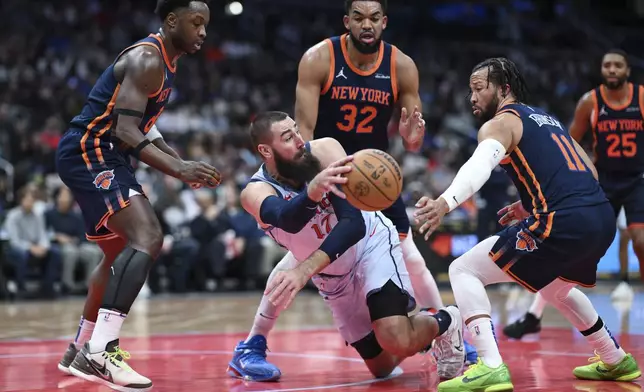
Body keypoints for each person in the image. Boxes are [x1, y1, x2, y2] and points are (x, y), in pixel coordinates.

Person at [228, 0, 476, 380]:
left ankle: (446, 328)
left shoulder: (401, 65)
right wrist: (311, 182)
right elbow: (305, 132)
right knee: (298, 255)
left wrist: (412, 140)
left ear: (385, 22)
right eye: (358, 17)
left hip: (371, 177)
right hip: (328, 164)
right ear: (346, 21)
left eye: (374, 17)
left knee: (407, 253)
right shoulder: (319, 59)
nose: (366, 24)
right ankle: (253, 343)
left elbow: (410, 138)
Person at [413, 58, 641, 392]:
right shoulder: (547, 118)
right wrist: (530, 203)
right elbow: (588, 172)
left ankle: (489, 364)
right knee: (555, 287)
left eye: (479, 88)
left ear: (503, 88)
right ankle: (614, 357)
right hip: (600, 217)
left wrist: (445, 202)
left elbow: (480, 166)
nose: (472, 98)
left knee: (464, 270)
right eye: (470, 91)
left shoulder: (502, 122)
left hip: (563, 221)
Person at [55, 1, 220, 390]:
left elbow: (145, 124)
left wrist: (178, 162)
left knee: (116, 253)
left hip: (101, 152)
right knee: (148, 237)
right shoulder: (148, 58)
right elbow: (126, 131)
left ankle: (79, 349)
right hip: (92, 150)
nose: (203, 32)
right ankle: (101, 351)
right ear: (171, 20)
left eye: (206, 25)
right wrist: (178, 170)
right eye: (196, 23)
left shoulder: (166, 61)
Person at [228, 111, 466, 381]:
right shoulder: (254, 193)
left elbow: (353, 224)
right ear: (265, 150)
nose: (299, 140)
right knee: (382, 367)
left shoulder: (325, 150)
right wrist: (313, 192)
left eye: (296, 130)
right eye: (287, 137)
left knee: (394, 336)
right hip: (332, 275)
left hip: (370, 245)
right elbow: (287, 220)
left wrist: (304, 270)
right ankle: (422, 331)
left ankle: (446, 321)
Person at [503, 49, 642, 339]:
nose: (612, 70)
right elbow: (564, 142)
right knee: (568, 249)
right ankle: (533, 315)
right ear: (602, 70)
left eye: (618, 65)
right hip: (600, 180)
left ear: (627, 70)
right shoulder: (590, 102)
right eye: (607, 65)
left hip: (637, 178)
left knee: (640, 239)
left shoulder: (641, 98)